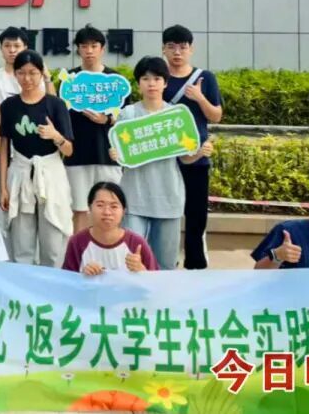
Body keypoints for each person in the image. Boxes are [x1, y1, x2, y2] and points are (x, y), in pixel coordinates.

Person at [108, 56, 213, 270]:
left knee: (164, 264)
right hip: (134, 196)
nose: (151, 84)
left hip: (168, 197)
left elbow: (184, 157)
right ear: (139, 83)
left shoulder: (176, 116)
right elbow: (122, 156)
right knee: (130, 259)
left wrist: (200, 153)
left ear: (165, 83)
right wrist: (115, 154)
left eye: (157, 79)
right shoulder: (128, 114)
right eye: (146, 79)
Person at [0, 49, 74, 266]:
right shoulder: (9, 106)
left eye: (32, 72)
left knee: (52, 242)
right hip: (20, 174)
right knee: (22, 243)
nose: (27, 78)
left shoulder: (55, 104)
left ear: (41, 73)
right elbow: (3, 149)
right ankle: (23, 286)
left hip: (51, 176)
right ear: (15, 74)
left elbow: (69, 150)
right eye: (21, 73)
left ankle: (53, 284)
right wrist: (3, 187)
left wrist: (56, 136)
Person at [162, 24, 223, 271]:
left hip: (196, 159)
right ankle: (165, 264)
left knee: (196, 217)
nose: (177, 52)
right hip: (164, 159)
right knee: (165, 213)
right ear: (164, 49)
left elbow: (216, 115)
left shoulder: (204, 78)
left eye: (182, 47)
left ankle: (195, 267)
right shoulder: (158, 78)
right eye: (172, 47)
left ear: (191, 49)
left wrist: (199, 97)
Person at [66, 25, 124, 232]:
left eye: (94, 46)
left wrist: (106, 119)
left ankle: (108, 247)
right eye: (84, 46)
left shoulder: (115, 80)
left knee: (109, 208)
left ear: (102, 49)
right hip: (76, 157)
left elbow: (126, 119)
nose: (89, 51)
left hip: (108, 156)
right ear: (78, 49)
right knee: (79, 209)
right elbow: (59, 116)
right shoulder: (69, 80)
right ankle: (79, 251)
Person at [62, 182, 158, 275]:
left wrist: (141, 270)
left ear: (123, 211)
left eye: (114, 206)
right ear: (90, 208)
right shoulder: (77, 242)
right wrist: (82, 276)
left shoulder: (137, 243)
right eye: (100, 205)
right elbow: (66, 281)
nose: (107, 212)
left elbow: (156, 281)